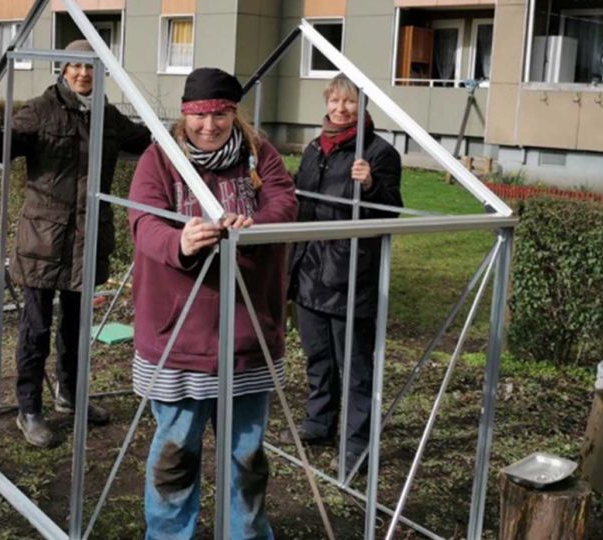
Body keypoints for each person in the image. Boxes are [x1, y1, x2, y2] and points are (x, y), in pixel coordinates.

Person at [127, 67, 297, 539]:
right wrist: (180, 243)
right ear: (185, 116)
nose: (209, 125)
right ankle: (167, 536)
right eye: (200, 116)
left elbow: (284, 202)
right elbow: (143, 220)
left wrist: (255, 227)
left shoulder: (259, 156)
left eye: (220, 114)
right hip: (180, 335)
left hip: (247, 332)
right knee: (175, 453)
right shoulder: (160, 159)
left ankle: (245, 534)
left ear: (233, 113)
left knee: (246, 453)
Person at [0, 40, 153, 448]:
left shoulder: (107, 115)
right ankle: (29, 409)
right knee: (36, 328)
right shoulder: (40, 110)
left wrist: (189, 131)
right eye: (76, 66)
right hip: (43, 241)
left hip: (87, 241)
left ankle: (70, 396)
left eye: (92, 68)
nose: (84, 74)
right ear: (64, 69)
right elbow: (0, 149)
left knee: (76, 326)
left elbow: (149, 142)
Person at [284, 74, 402, 470]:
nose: (340, 109)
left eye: (349, 102)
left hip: (349, 275)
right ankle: (319, 424)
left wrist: (370, 186)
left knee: (354, 366)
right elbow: (303, 202)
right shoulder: (317, 146)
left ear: (363, 106)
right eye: (335, 100)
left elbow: (392, 212)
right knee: (317, 356)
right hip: (309, 269)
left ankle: (357, 445)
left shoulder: (379, 153)